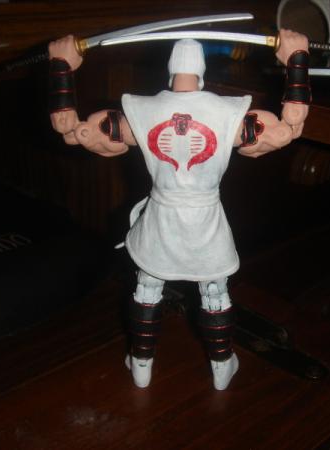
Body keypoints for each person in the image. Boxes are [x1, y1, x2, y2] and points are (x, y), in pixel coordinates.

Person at [47, 29, 310, 390]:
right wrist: (296, 61)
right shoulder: (227, 114)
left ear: (170, 74)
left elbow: (70, 130)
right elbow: (289, 129)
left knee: (147, 288)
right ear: (201, 76)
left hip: (163, 215)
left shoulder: (142, 113)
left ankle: (142, 364)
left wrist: (62, 66)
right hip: (204, 217)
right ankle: (221, 366)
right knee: (214, 292)